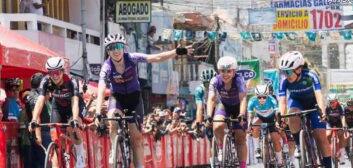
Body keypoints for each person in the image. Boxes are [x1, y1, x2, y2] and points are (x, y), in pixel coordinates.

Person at [94, 33, 191, 167]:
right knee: (111, 119)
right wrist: (98, 112)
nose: (115, 50)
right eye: (111, 48)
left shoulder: (132, 58)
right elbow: (101, 88)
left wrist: (175, 51)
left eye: (118, 46)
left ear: (124, 48)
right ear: (107, 51)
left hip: (134, 97)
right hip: (117, 97)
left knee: (136, 138)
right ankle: (113, 148)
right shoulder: (107, 67)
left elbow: (156, 57)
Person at [29, 57, 86, 168]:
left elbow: (75, 101)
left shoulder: (72, 80)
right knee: (55, 138)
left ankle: (80, 154)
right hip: (58, 107)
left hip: (75, 106)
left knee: (73, 125)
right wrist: (34, 120)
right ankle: (62, 155)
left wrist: (75, 119)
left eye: (57, 72)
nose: (54, 76)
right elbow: (40, 101)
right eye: (51, 73)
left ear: (62, 71)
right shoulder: (46, 81)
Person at [278, 51, 332, 168]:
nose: (286, 75)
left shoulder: (310, 76)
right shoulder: (284, 81)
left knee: (321, 136)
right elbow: (282, 102)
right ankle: (299, 145)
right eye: (283, 72)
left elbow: (319, 95)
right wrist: (281, 117)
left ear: (298, 69)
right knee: (292, 115)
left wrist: (321, 112)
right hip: (297, 103)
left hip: (313, 105)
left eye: (288, 71)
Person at [206, 56, 247, 168]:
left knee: (240, 137)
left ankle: (243, 165)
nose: (225, 74)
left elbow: (243, 99)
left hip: (239, 108)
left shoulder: (239, 80)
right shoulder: (215, 80)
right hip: (224, 106)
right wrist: (209, 115)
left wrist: (242, 115)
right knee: (217, 125)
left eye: (229, 71)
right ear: (219, 71)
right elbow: (211, 98)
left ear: (234, 72)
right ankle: (220, 147)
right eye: (222, 71)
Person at [248, 83, 283, 165]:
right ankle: (257, 148)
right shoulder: (252, 101)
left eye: (264, 97)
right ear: (256, 96)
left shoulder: (273, 100)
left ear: (267, 95)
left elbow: (276, 113)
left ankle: (280, 160)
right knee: (254, 125)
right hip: (260, 118)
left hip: (271, 119)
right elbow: (250, 116)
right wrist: (249, 126)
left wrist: (277, 123)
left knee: (275, 140)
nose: (262, 99)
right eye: (259, 97)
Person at [26, 73, 52, 168]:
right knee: (45, 161)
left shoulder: (34, 95)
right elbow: (35, 116)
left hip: (41, 132)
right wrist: (38, 136)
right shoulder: (35, 96)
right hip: (41, 132)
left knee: (40, 161)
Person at [325, 94, 346, 165]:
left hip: (339, 123)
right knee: (327, 135)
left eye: (334, 102)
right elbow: (324, 118)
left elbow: (342, 117)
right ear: (328, 103)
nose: (332, 104)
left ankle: (342, 156)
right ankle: (328, 150)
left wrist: (343, 126)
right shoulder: (327, 108)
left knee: (341, 135)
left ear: (337, 101)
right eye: (331, 102)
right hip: (330, 123)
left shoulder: (341, 107)